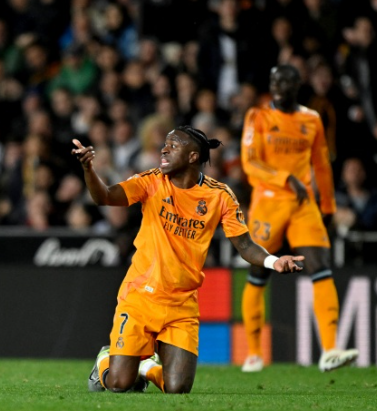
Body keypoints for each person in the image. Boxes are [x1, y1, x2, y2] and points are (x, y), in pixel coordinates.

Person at [73, 125, 305, 394]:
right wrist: (88, 169)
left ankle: (146, 368)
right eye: (165, 144)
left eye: (173, 146)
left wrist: (274, 261)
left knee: (178, 389)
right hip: (140, 297)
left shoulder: (219, 196)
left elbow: (244, 245)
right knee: (119, 383)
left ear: (193, 156)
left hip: (181, 304)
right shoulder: (151, 181)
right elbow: (104, 197)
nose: (164, 149)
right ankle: (106, 359)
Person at [240, 65, 359, 373]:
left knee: (320, 265)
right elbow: (250, 162)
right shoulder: (258, 116)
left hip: (303, 205)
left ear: (297, 85)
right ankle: (253, 352)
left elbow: (321, 164)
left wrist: (328, 204)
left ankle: (330, 350)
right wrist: (285, 178)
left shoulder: (311, 119)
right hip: (268, 204)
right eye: (274, 81)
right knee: (259, 272)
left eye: (285, 81)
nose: (278, 86)